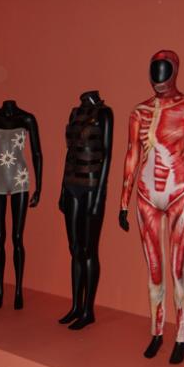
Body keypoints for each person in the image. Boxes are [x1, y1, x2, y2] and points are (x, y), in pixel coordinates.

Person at [119, 50, 184, 364]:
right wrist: (123, 200)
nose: (158, 77)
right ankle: (157, 331)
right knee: (154, 268)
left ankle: (181, 335)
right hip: (145, 194)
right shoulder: (139, 111)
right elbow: (132, 153)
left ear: (174, 71)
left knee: (178, 268)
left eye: (164, 70)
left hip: (179, 191)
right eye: (154, 70)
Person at [0, 100, 42, 310]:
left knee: (17, 237)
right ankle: (0, 291)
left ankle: (18, 290)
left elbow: (37, 154)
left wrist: (39, 187)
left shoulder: (27, 119)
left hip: (20, 179)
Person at [58, 91, 113, 330]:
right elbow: (69, 152)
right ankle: (76, 306)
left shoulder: (105, 113)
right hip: (71, 184)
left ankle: (88, 310)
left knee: (89, 249)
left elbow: (107, 156)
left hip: (91, 185)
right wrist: (62, 189)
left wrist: (100, 195)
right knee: (75, 249)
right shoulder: (75, 113)